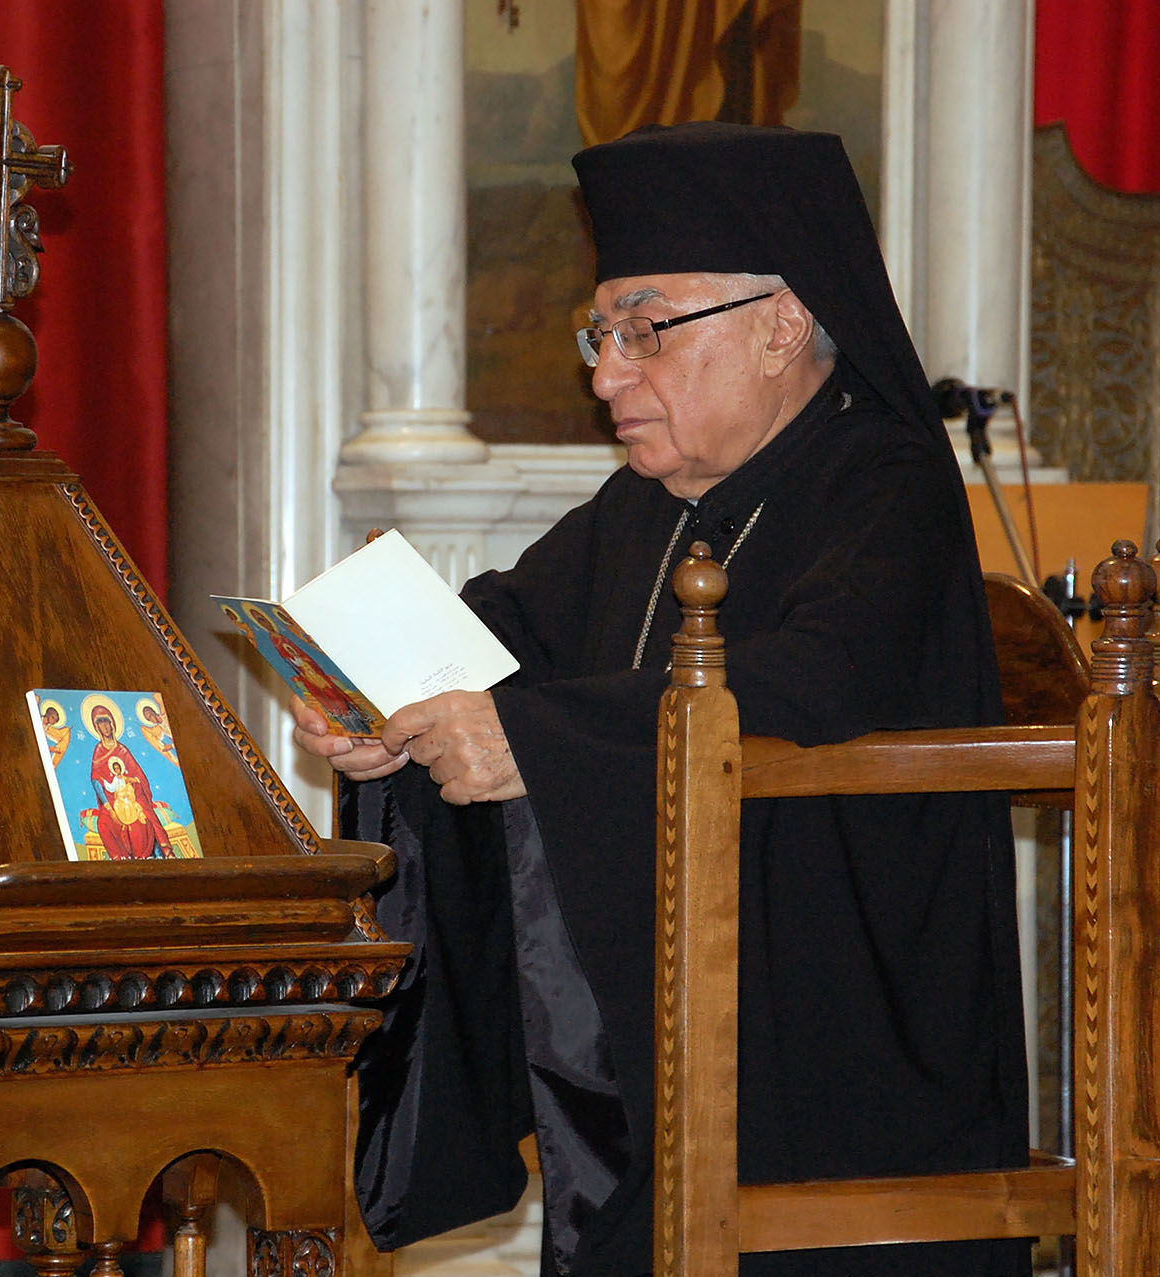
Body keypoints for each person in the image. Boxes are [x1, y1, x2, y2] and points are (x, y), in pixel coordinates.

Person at [292, 122, 1028, 1277]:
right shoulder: (645, 505)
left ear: (783, 325)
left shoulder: (888, 484)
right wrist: (377, 697)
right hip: (675, 1046)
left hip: (837, 1061)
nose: (605, 374)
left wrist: (528, 739)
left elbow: (813, 681)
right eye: (602, 332)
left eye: (645, 329)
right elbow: (496, 633)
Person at [86, 702, 173, 860]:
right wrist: (107, 805)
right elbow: (96, 781)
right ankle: (121, 860)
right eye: (100, 724)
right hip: (112, 799)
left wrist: (132, 784)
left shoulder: (122, 750)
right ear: (96, 728)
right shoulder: (98, 751)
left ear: (112, 723)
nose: (104, 727)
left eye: (106, 722)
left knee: (145, 816)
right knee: (104, 824)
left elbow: (139, 776)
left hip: (132, 795)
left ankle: (160, 853)